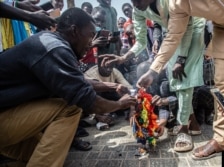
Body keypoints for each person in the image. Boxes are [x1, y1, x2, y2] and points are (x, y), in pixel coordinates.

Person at [0, 7, 136, 167]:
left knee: (42, 154)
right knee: (71, 108)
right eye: (91, 35)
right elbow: (90, 102)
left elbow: (78, 81)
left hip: (8, 115)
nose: (92, 42)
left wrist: (114, 86)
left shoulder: (52, 42)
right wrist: (121, 104)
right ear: (75, 31)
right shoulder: (54, 49)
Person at [130, 0, 224, 161]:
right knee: (223, 88)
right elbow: (173, 36)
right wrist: (153, 71)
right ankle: (222, 140)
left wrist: (181, 59)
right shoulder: (175, 5)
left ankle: (189, 126)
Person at [103, 0, 204, 152]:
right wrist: (124, 57)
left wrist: (181, 59)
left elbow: (185, 29)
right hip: (172, 35)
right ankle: (193, 124)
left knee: (183, 77)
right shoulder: (138, 10)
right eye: (132, 1)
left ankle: (183, 129)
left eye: (138, 0)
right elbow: (141, 41)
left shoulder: (172, 2)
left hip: (193, 28)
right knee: (175, 80)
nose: (135, 5)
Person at [84, 55, 133, 129]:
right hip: (96, 102)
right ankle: (101, 116)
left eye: (111, 67)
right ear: (99, 65)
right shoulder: (89, 74)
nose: (109, 70)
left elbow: (130, 90)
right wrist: (97, 116)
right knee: (96, 92)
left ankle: (113, 111)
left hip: (109, 100)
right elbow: (86, 98)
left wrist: (133, 110)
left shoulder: (115, 72)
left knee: (122, 91)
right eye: (106, 67)